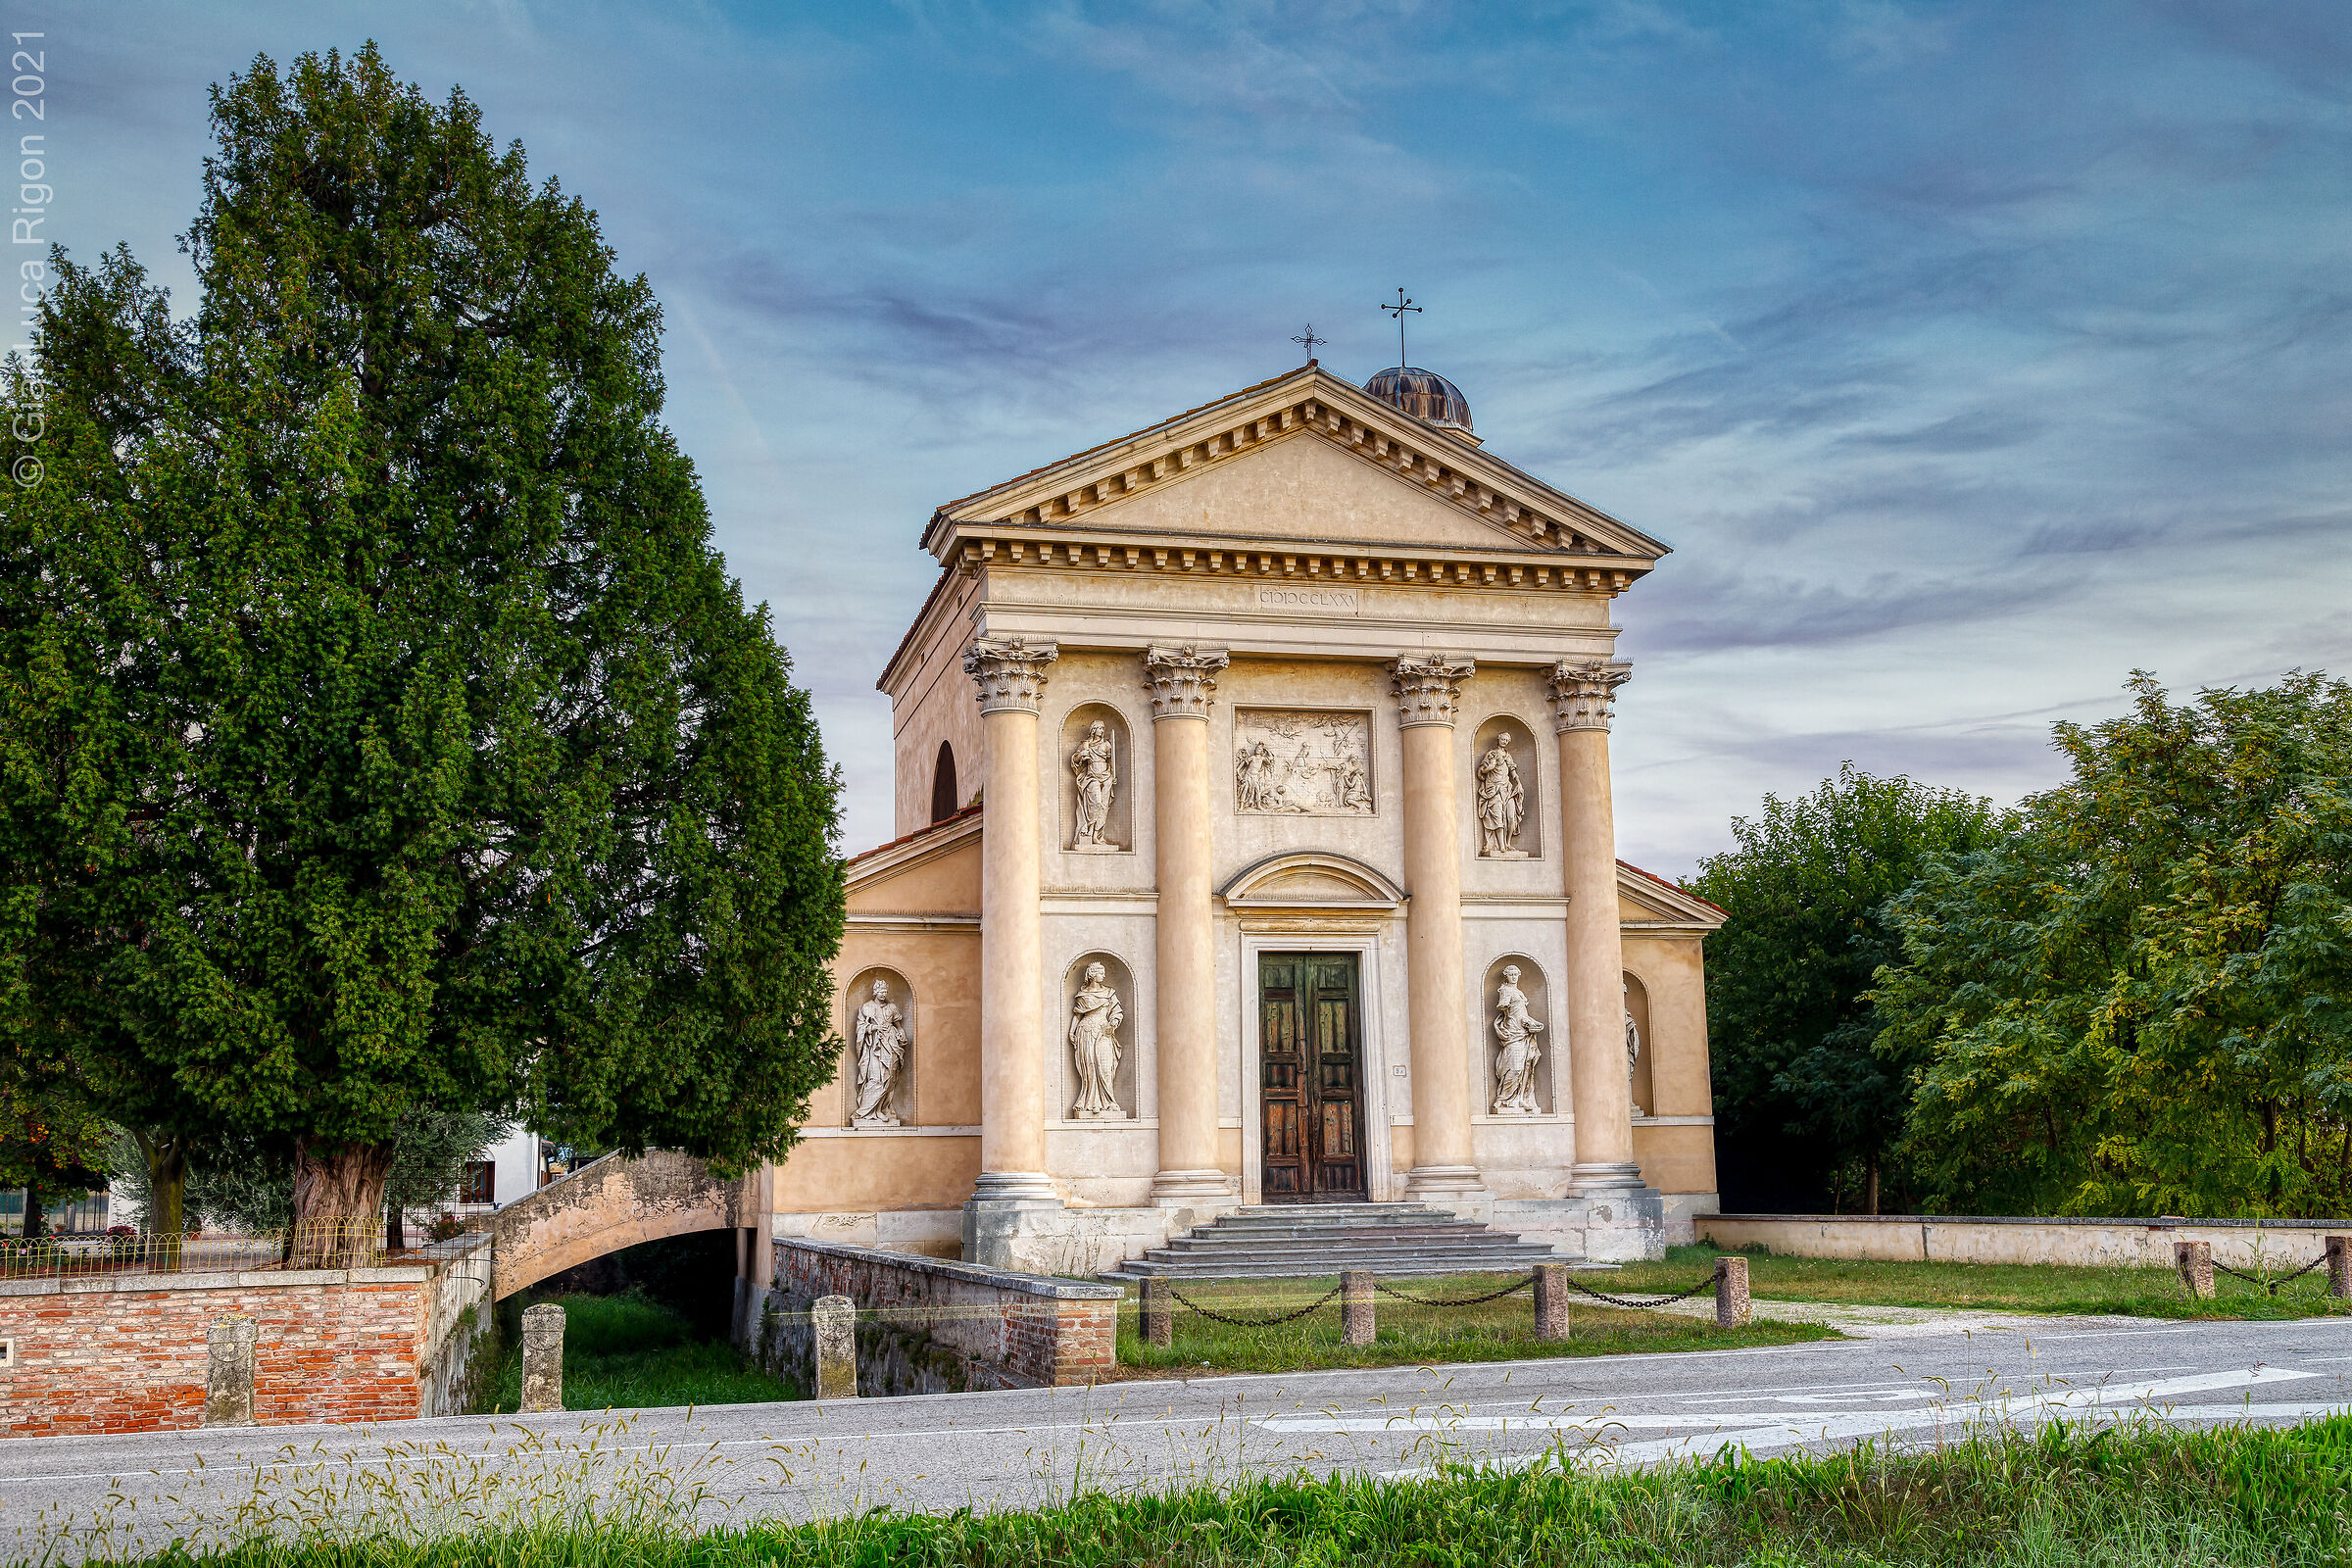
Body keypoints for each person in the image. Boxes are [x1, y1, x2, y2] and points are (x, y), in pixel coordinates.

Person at [1068, 961, 1126, 1118]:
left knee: (1105, 1067)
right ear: (1092, 974)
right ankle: (1090, 1102)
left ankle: (1109, 1102)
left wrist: (1114, 1021)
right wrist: (1071, 1032)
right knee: (1090, 1067)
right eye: (1101, 972)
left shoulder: (1109, 993)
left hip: (1104, 1032)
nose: (1104, 975)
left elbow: (1117, 1011)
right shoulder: (1083, 994)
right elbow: (1078, 1015)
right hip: (1086, 1031)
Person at [852, 978, 909, 1126]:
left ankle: (880, 1110)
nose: (883, 994)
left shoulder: (892, 1008)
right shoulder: (867, 1007)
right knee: (875, 1077)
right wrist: (874, 1028)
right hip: (874, 1047)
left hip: (890, 1044)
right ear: (875, 992)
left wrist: (900, 1033)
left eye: (885, 991)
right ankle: (865, 1111)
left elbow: (898, 1026)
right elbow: (860, 1028)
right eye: (880, 991)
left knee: (889, 1077)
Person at [1491, 964, 1545, 1115]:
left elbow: (1522, 1014)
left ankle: (1520, 1098)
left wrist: (1533, 1023)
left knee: (1525, 1066)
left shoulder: (1519, 992)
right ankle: (1503, 1098)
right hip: (1513, 1033)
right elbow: (1504, 1006)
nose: (1514, 977)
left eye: (1516, 974)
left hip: (1523, 1032)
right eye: (1511, 974)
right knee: (1514, 1067)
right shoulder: (1505, 990)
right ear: (1506, 976)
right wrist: (1504, 1004)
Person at [1069, 719, 1116, 848]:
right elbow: (1075, 760)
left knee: (1103, 806)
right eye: (1099, 728)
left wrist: (1112, 776)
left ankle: (1096, 834)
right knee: (1096, 802)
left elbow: (1111, 762)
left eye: (1103, 728)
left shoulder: (1107, 744)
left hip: (1106, 777)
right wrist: (1081, 755)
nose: (1102, 730)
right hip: (1091, 777)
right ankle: (1089, 830)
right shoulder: (1086, 745)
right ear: (1093, 730)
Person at [1476, 734, 1525, 856]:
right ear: (1498, 739)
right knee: (1497, 816)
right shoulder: (1491, 754)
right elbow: (1482, 771)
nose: (1505, 742)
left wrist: (1519, 783)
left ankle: (1508, 843)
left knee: (1511, 817)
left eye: (1507, 740)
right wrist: (1490, 767)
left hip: (1507, 789)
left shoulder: (1508, 756)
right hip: (1494, 789)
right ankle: (1501, 846)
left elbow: (1513, 773)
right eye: (1503, 739)